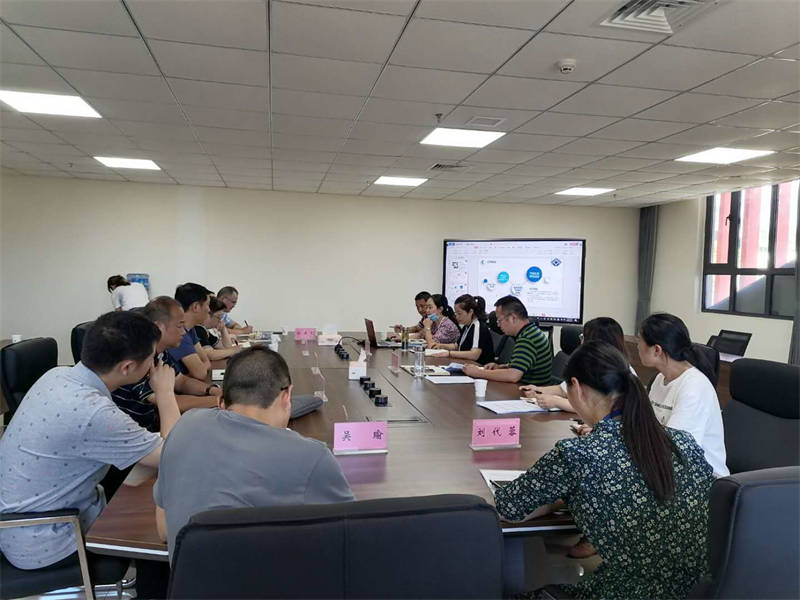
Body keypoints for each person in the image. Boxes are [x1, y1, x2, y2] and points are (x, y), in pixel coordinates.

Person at [495, 341, 715, 599]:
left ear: (576, 387)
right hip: (700, 592)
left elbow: (508, 507)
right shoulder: (682, 442)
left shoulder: (576, 454)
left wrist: (556, 500)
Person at [0, 311, 179, 570]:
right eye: (152, 358)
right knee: (160, 531)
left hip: (24, 520)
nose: (155, 365)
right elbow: (172, 454)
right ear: (127, 367)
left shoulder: (57, 375)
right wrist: (165, 392)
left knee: (145, 486)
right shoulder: (92, 412)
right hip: (46, 539)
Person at [154, 346, 354, 562]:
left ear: (222, 400)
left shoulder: (184, 426)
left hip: (187, 579)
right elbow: (351, 537)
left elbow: (164, 530)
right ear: (287, 396)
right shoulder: (312, 456)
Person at [638, 313, 729, 477]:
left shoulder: (694, 386)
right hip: (667, 470)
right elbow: (648, 428)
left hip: (702, 479)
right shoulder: (659, 379)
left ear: (657, 350)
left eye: (640, 341)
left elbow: (676, 449)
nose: (637, 346)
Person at [112, 297, 223, 430]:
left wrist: (212, 390)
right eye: (179, 326)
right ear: (159, 327)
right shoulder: (138, 358)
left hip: (157, 422)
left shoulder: (161, 352)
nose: (184, 332)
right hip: (142, 431)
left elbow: (181, 381)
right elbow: (169, 401)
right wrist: (220, 401)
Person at [520, 317, 634, 413]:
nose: (581, 342)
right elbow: (563, 389)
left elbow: (596, 409)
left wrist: (557, 402)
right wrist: (538, 390)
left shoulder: (618, 371)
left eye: (583, 337)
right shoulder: (589, 364)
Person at [463, 296, 551, 385]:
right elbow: (523, 366)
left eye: (499, 320)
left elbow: (513, 375)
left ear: (513, 318)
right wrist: (501, 367)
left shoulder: (527, 339)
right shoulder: (530, 331)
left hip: (530, 390)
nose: (498, 325)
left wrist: (478, 372)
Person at [430, 294, 494, 364]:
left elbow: (474, 354)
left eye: (459, 314)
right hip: (466, 363)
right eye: (456, 313)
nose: (457, 317)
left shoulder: (478, 327)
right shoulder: (466, 326)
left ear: (470, 312)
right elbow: (457, 346)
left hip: (478, 366)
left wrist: (449, 353)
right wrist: (441, 346)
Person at [168, 283, 213, 381]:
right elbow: (200, 373)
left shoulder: (190, 328)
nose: (209, 310)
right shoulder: (178, 333)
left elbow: (205, 360)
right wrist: (202, 366)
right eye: (208, 305)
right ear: (196, 307)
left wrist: (202, 365)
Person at [195, 296, 241, 361]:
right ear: (208, 314)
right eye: (219, 317)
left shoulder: (205, 331)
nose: (220, 321)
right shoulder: (198, 329)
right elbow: (210, 355)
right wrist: (235, 350)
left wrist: (223, 329)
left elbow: (225, 348)